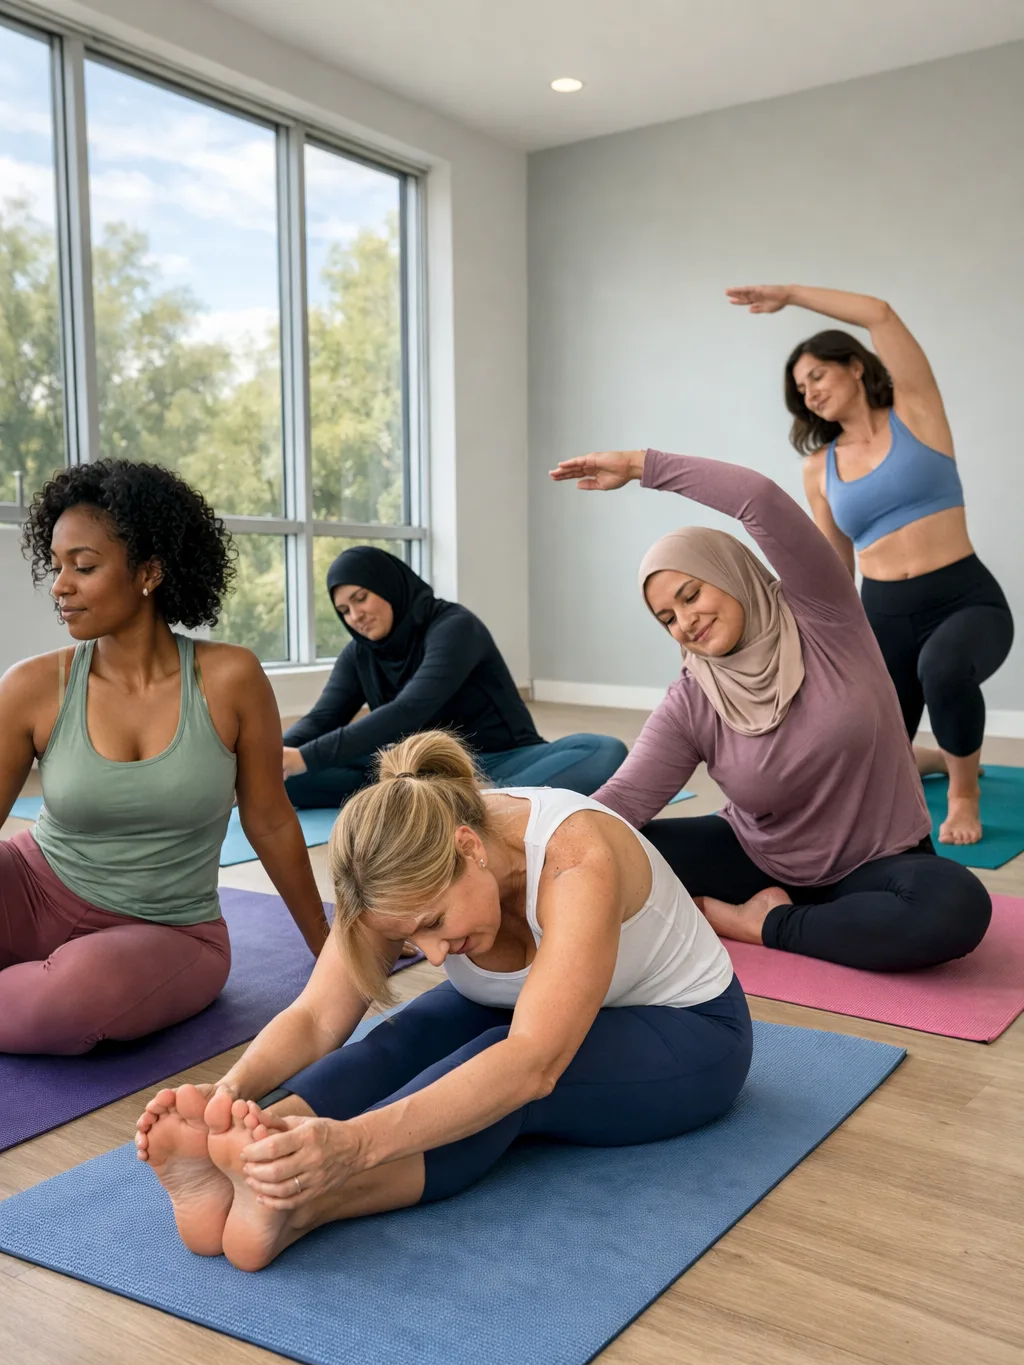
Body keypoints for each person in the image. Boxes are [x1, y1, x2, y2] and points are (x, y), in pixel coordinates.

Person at [133, 729, 751, 1272]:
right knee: (401, 1038)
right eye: (409, 936)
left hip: (691, 1034)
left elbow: (531, 1062)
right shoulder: (395, 865)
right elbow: (318, 1016)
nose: (431, 955)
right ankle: (258, 1152)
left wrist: (353, 1146)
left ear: (470, 848)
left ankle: (303, 1202)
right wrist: (229, 1094)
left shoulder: (574, 856)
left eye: (432, 922)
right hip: (519, 1011)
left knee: (496, 1073)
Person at [549, 448, 992, 972]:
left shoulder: (824, 615)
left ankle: (760, 925)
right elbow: (623, 799)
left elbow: (758, 500)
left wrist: (641, 466)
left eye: (692, 595)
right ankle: (821, 923)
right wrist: (528, 851)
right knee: (612, 852)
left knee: (955, 907)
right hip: (759, 862)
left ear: (728, 573)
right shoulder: (692, 698)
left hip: (881, 861)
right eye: (668, 617)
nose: (686, 622)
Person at [0, 460, 329, 1055]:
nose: (60, 586)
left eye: (85, 566)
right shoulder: (30, 686)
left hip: (167, 930)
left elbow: (272, 820)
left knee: (70, 1000)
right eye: (56, 567)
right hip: (30, 887)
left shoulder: (231, 678)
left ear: (149, 572)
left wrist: (330, 947)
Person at [725, 283, 1014, 846]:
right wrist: (814, 634)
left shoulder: (918, 415)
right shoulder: (819, 468)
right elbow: (835, 564)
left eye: (817, 376)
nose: (808, 393)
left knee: (945, 669)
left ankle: (963, 794)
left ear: (855, 367)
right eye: (799, 389)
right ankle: (931, 758)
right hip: (884, 616)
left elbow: (881, 313)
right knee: (868, 740)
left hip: (965, 600)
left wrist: (789, 294)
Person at [282, 546, 627, 807]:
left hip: (496, 760)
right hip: (414, 768)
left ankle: (470, 801)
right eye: (344, 610)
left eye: (361, 599)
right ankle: (441, 803)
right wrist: (273, 756)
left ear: (386, 586)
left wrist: (306, 757)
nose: (355, 616)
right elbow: (323, 718)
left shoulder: (454, 627)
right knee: (285, 780)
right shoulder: (359, 654)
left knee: (604, 751)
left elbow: (409, 710)